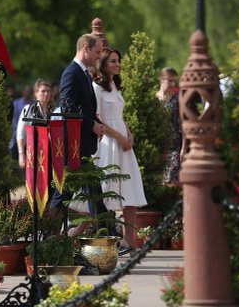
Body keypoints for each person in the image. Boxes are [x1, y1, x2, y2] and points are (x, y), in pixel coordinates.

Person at [71, 47, 147, 252]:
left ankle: (129, 241)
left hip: (123, 144)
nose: (117, 64)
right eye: (113, 61)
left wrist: (129, 134)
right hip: (107, 144)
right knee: (100, 192)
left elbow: (119, 116)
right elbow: (100, 117)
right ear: (104, 63)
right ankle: (73, 236)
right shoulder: (96, 86)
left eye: (118, 61)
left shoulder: (115, 85)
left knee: (129, 192)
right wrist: (121, 137)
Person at [49, 34, 107, 232]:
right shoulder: (72, 73)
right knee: (64, 193)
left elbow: (83, 108)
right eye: (97, 52)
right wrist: (91, 125)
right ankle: (47, 237)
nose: (99, 56)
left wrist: (97, 123)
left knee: (91, 192)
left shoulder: (82, 73)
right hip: (72, 146)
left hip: (80, 145)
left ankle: (108, 237)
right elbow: (67, 107)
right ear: (85, 48)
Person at [156, 67, 184, 186]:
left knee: (171, 177)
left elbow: (182, 123)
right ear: (161, 79)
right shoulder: (154, 99)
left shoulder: (177, 98)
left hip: (175, 145)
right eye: (170, 80)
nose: (173, 84)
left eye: (174, 81)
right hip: (159, 144)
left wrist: (184, 147)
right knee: (160, 178)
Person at [16, 80, 52, 168]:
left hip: (47, 153)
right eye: (43, 91)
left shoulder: (51, 111)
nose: (46, 94)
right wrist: (21, 154)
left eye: (48, 91)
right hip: (32, 152)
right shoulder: (29, 109)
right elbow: (20, 134)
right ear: (36, 93)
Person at [10, 84, 34, 160]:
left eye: (29, 91)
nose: (27, 93)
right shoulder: (16, 103)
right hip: (16, 128)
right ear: (22, 92)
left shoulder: (33, 104)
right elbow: (13, 117)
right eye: (26, 91)